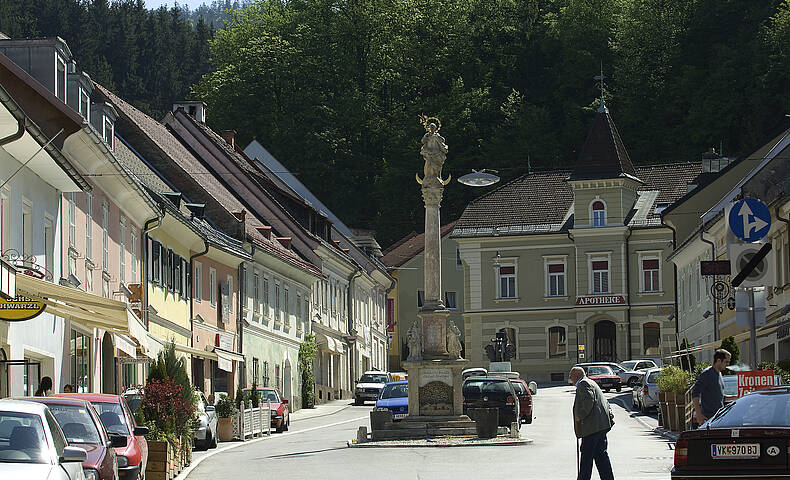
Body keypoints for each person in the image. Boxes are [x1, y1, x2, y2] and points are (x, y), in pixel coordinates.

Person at [570, 366, 615, 480]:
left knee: (586, 456)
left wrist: (580, 416)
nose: (570, 379)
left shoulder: (583, 384)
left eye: (571, 376)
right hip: (600, 425)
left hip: (592, 427)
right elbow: (604, 400)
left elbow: (589, 400)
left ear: (576, 376)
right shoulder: (591, 382)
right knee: (601, 456)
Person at [691, 348, 732, 426]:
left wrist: (738, 397)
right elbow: (695, 393)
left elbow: (719, 397)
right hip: (708, 420)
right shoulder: (707, 374)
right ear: (719, 360)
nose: (728, 364)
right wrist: (699, 415)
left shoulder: (719, 374)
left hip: (718, 418)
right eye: (726, 362)